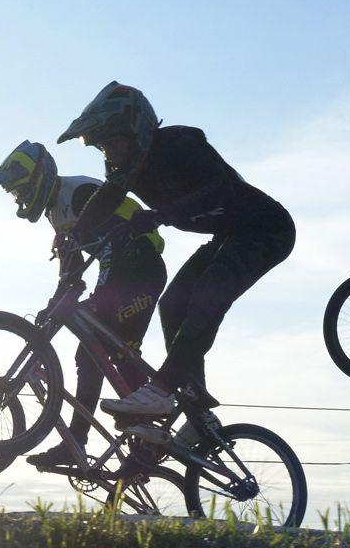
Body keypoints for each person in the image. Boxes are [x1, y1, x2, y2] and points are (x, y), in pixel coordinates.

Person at [56, 81, 296, 418]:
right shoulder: (128, 171)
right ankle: (195, 403)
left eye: (111, 143)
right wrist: (74, 233)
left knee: (209, 293)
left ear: (136, 133)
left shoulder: (179, 145)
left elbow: (220, 189)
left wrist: (160, 216)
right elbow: (105, 199)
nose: (108, 154)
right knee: (172, 304)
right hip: (227, 235)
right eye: (102, 148)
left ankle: (163, 388)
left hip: (267, 229)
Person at [0, 140, 166, 466]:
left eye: (20, 191)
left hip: (141, 267)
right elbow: (71, 275)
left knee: (112, 343)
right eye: (14, 196)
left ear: (38, 177)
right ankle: (103, 441)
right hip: (125, 272)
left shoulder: (76, 194)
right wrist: (55, 305)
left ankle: (147, 435)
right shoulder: (56, 211)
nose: (19, 199)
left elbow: (112, 247)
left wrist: (97, 298)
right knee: (92, 352)